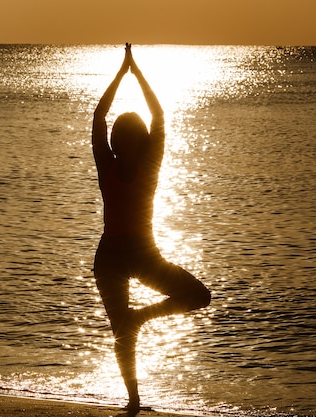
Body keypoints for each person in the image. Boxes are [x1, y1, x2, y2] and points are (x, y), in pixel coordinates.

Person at [92, 43, 211, 416]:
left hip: (145, 254)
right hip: (110, 257)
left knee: (198, 296)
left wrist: (138, 71)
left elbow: (158, 114)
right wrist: (119, 73)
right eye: (120, 138)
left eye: (133, 137)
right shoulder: (106, 165)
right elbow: (98, 115)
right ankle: (134, 400)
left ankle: (141, 317)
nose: (126, 143)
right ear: (115, 141)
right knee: (121, 335)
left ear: (140, 140)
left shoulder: (151, 165)